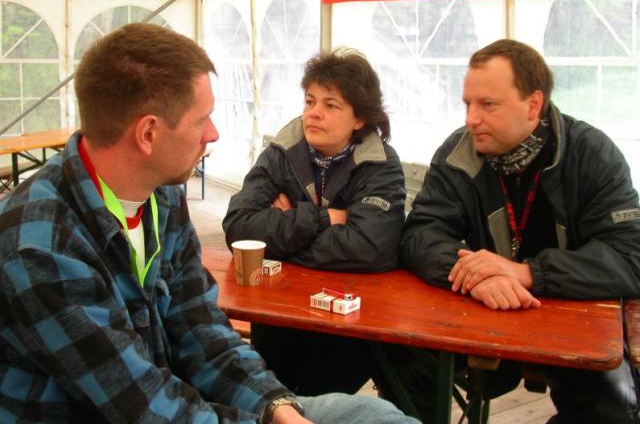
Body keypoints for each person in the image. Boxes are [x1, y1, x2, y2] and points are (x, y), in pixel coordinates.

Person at [0, 23, 419, 424]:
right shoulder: (38, 243)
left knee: (376, 417)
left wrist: (273, 405)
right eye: (203, 119)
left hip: (179, 402)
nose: (214, 134)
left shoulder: (161, 193)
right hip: (132, 412)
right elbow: (143, 407)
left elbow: (200, 328)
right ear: (148, 134)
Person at [398, 38, 640, 423]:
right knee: (400, 360)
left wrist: (527, 273)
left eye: (488, 105)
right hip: (483, 311)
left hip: (573, 320)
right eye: (468, 104)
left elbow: (630, 256)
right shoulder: (458, 152)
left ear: (533, 104)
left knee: (613, 410)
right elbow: (419, 234)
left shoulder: (592, 155)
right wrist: (475, 276)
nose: (471, 119)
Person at [222, 49, 406, 397]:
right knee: (269, 393)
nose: (313, 113)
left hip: (347, 324)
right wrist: (323, 218)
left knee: (321, 400)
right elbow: (239, 228)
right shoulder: (282, 151)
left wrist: (283, 233)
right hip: (278, 314)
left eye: (330, 105)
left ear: (359, 119)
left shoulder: (379, 164)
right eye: (309, 101)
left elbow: (370, 248)